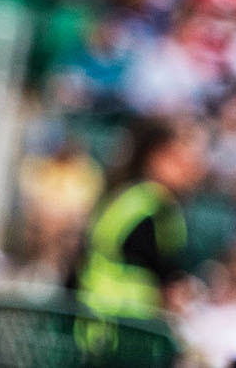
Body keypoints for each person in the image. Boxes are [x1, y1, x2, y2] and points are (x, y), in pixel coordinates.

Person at [73, 117, 210, 321]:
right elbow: (160, 270)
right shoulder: (155, 205)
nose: (191, 169)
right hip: (126, 323)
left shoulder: (127, 196)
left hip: (95, 314)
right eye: (178, 160)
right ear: (155, 157)